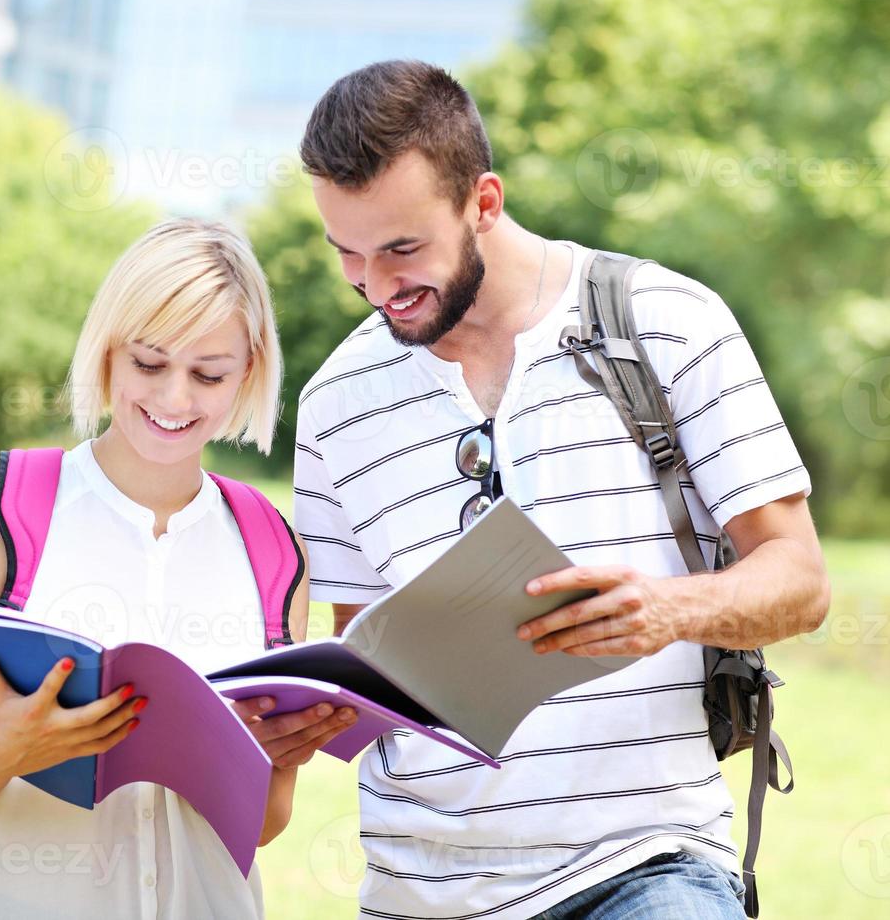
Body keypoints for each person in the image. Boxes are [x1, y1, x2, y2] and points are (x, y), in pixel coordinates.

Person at [292, 60, 830, 919]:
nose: (376, 286)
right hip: (420, 890)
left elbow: (800, 581)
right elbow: (364, 658)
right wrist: (310, 721)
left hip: (646, 865)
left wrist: (671, 609)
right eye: (347, 253)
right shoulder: (332, 406)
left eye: (402, 250)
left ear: (485, 202)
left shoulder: (666, 320)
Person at [0, 217, 357, 919]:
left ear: (247, 372)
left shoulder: (273, 545)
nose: (175, 399)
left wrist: (282, 755)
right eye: (149, 364)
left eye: (208, 373)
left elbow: (267, 824)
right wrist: (8, 749)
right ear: (107, 356)